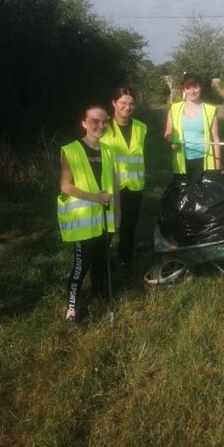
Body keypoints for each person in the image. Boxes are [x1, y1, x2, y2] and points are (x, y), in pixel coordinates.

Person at [58, 106, 120, 323]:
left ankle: (100, 296)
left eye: (104, 122)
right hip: (83, 222)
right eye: (95, 121)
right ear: (83, 123)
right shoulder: (71, 150)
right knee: (81, 266)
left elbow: (114, 185)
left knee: (102, 262)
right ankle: (72, 309)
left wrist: (118, 213)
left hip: (104, 220)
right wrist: (94, 198)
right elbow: (66, 186)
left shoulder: (109, 151)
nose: (100, 126)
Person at [101, 86, 147, 267]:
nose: (127, 107)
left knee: (130, 225)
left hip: (135, 184)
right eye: (123, 103)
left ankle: (125, 258)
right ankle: (102, 259)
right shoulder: (103, 128)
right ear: (114, 103)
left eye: (131, 104)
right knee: (109, 226)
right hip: (112, 185)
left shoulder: (141, 128)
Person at [164, 73, 221, 181]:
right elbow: (168, 133)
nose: (192, 91)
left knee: (202, 195)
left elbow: (216, 138)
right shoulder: (174, 109)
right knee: (183, 195)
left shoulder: (210, 110)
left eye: (195, 87)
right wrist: (172, 141)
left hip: (203, 160)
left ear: (201, 87)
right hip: (181, 161)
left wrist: (217, 162)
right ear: (184, 90)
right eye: (188, 88)